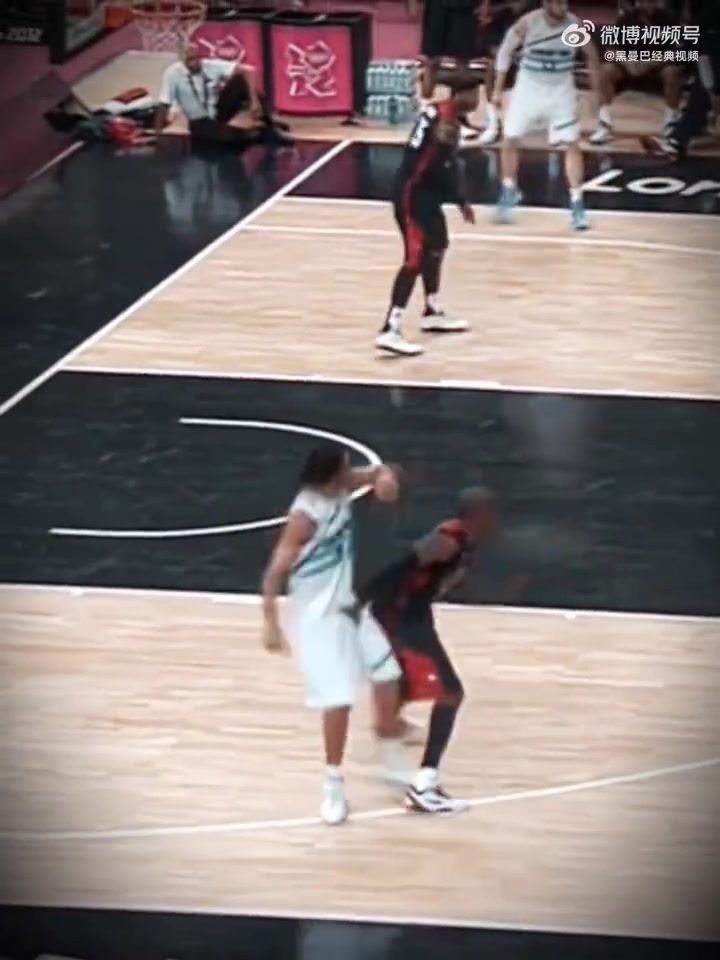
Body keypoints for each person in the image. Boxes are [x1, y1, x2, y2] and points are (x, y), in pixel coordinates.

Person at [261, 445, 411, 826]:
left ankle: (391, 757)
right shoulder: (305, 515)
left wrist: (386, 479)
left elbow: (380, 473)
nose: (351, 471)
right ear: (330, 474)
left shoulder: (341, 487)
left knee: (387, 676)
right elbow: (275, 571)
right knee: (338, 702)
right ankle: (333, 784)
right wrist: (270, 622)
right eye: (345, 467)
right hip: (318, 619)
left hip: (348, 608)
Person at [348, 487, 498, 813]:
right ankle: (423, 786)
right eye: (491, 512)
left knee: (405, 689)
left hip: (414, 618)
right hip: (400, 621)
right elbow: (398, 565)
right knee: (450, 694)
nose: (495, 519)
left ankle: (392, 751)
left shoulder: (465, 542)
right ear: (478, 514)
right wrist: (358, 602)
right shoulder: (447, 540)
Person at [376, 77, 480, 358]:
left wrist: (458, 199)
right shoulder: (445, 123)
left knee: (438, 244)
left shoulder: (437, 111)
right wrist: (459, 197)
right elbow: (442, 167)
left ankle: (432, 310)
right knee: (414, 259)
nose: (476, 101)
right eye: (474, 94)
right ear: (461, 94)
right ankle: (390, 328)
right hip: (412, 195)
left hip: (426, 193)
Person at [490, 0, 600, 230]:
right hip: (528, 89)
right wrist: (498, 90)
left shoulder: (574, 25)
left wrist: (595, 93)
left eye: (565, 3)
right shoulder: (529, 22)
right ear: (546, 3)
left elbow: (591, 56)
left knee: (572, 144)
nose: (563, 7)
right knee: (510, 140)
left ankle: (577, 204)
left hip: (561, 91)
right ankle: (509, 190)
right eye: (558, 3)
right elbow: (505, 51)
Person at [154, 43, 292, 147]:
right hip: (199, 121)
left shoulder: (210, 66)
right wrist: (158, 134)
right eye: (190, 60)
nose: (195, 62)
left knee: (242, 81)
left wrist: (254, 101)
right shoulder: (172, 74)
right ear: (182, 61)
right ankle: (255, 133)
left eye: (197, 58)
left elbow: (248, 71)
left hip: (218, 109)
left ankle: (269, 127)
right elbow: (164, 103)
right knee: (227, 140)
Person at [588, 0, 684, 146]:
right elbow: (611, 51)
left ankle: (671, 125)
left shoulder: (668, 20)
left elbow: (677, 52)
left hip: (657, 66)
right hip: (629, 66)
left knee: (673, 73)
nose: (647, 4)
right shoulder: (626, 19)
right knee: (606, 71)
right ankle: (604, 124)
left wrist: (649, 63)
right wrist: (629, 63)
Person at [641, 1, 720, 160]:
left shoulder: (709, 15)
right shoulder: (696, 18)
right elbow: (685, 50)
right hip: (706, 59)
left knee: (703, 91)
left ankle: (678, 139)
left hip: (711, 59)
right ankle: (680, 137)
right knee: (701, 91)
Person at [476, 0, 533, 146]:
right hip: (506, 56)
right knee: (492, 67)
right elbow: (489, 43)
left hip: (532, 56)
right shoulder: (501, 16)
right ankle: (494, 122)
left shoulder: (538, 15)